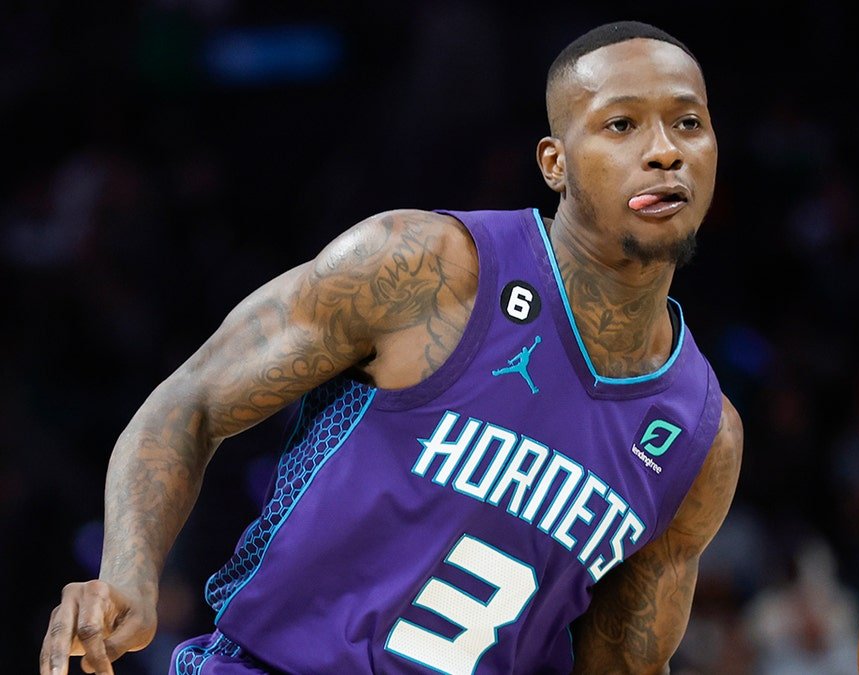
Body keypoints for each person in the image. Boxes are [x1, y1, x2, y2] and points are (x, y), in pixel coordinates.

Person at [40, 19, 743, 675]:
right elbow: (190, 401)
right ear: (555, 163)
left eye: (689, 123)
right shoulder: (426, 268)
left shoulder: (700, 439)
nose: (664, 151)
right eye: (621, 125)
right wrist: (126, 575)